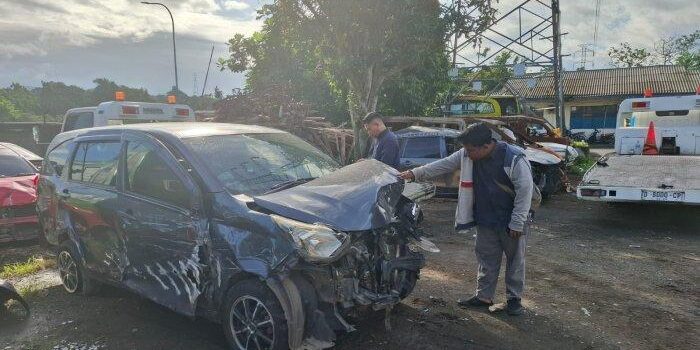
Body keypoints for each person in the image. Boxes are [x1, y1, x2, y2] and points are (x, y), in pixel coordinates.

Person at [398, 123, 534, 316]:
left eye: (470, 150)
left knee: (515, 260)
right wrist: (415, 173)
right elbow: (443, 164)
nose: (467, 153)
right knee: (486, 258)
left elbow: (525, 191)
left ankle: (514, 300)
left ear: (486, 146)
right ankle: (484, 297)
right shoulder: (467, 154)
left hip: (511, 220)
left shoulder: (513, 158)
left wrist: (518, 222)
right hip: (486, 218)